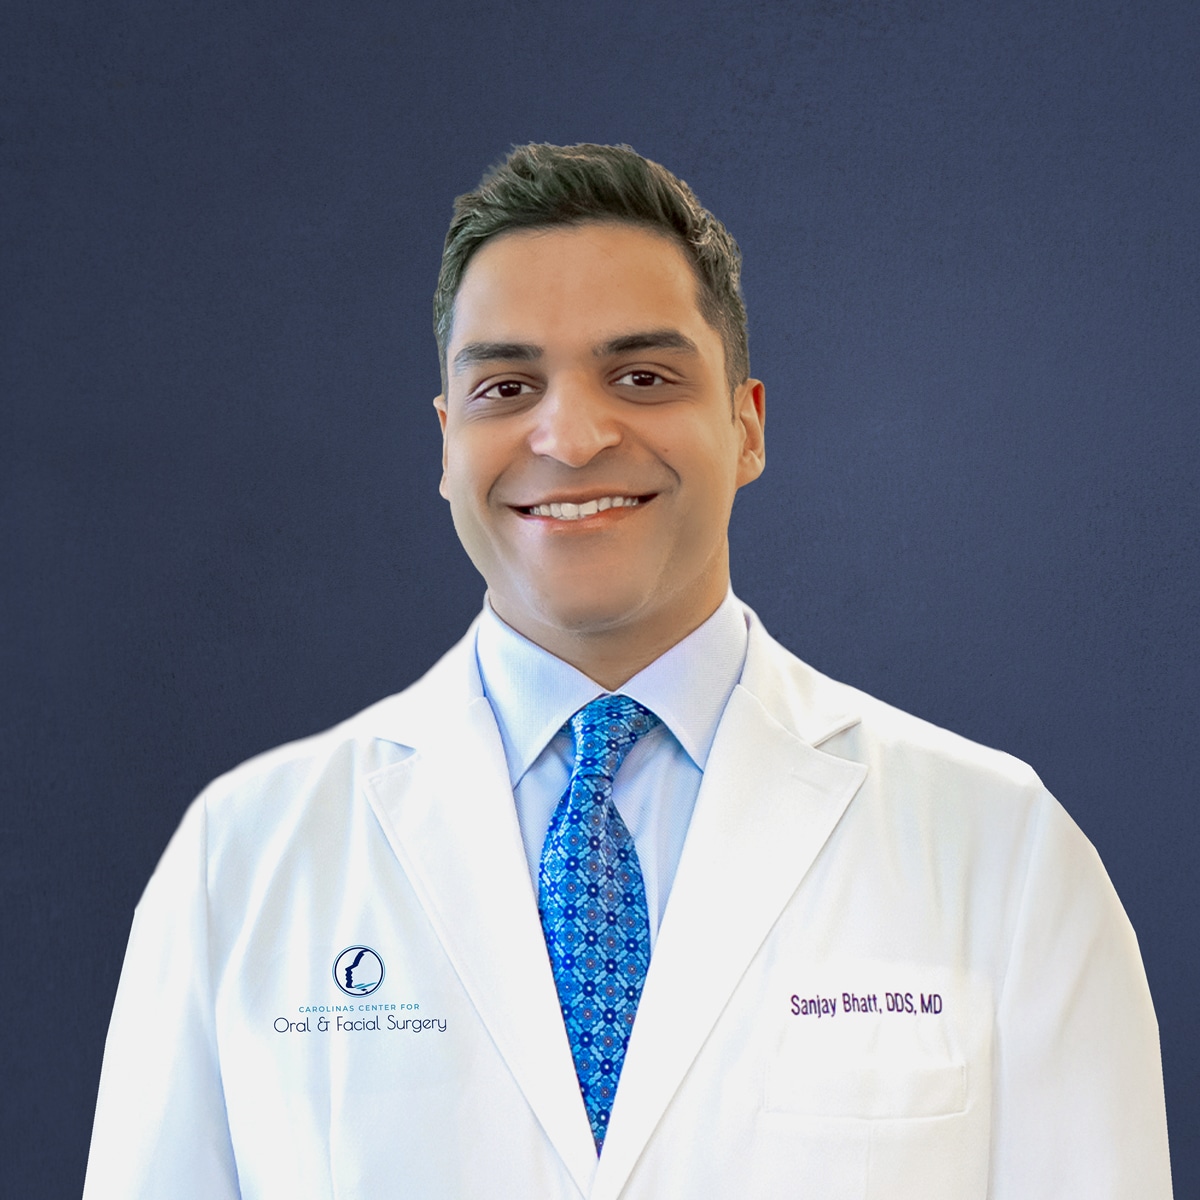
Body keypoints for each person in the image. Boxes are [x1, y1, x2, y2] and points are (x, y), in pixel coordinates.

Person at [84, 143, 1172, 1199]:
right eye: (506, 387)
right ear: (446, 440)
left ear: (746, 428)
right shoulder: (242, 860)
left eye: (642, 375)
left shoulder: (1001, 854)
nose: (569, 435)